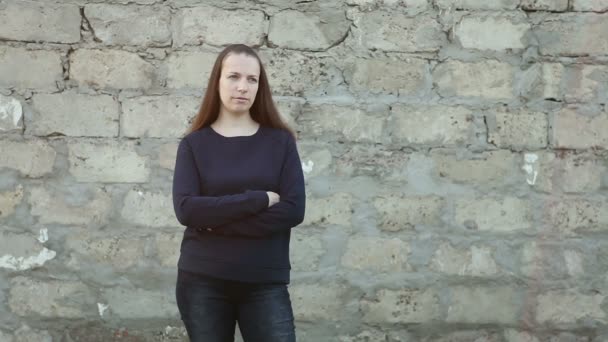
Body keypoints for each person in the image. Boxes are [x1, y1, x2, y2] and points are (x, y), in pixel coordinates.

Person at [172, 43, 306, 342]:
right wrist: (257, 199)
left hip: (264, 281)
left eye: (252, 79)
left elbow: (294, 210)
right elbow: (187, 211)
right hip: (202, 281)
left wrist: (215, 221)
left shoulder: (280, 142)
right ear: (217, 81)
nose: (242, 87)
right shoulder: (194, 145)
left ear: (260, 87)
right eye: (233, 76)